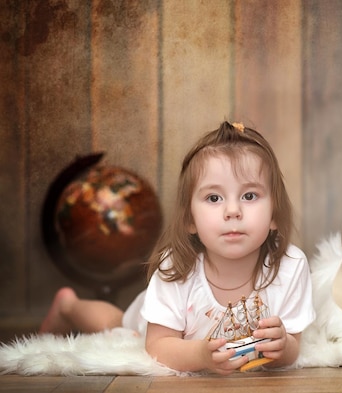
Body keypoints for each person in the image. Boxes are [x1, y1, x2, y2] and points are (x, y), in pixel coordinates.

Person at [39, 121, 316, 374]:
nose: (233, 210)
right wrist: (200, 355)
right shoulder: (176, 267)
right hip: (161, 323)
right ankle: (69, 306)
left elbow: (293, 346)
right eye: (214, 197)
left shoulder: (290, 266)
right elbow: (157, 346)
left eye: (249, 195)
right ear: (189, 220)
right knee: (118, 323)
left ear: (275, 215)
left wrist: (282, 347)